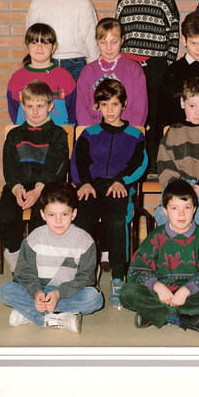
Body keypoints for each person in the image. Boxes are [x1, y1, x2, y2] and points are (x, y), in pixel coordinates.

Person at [71, 78, 148, 307]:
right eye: (104, 105)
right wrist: (83, 183)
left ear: (124, 104)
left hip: (119, 187)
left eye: (114, 104)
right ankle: (85, 276)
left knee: (116, 221)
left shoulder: (135, 135)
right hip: (91, 187)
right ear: (97, 106)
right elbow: (77, 162)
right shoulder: (89, 134)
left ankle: (118, 277)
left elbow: (140, 163)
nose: (110, 110)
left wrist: (122, 181)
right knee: (82, 220)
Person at [120, 180, 199, 334]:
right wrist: (157, 286)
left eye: (187, 207)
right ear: (165, 210)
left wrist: (187, 290)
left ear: (195, 209)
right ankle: (186, 318)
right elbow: (137, 269)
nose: (181, 214)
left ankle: (157, 314)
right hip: (161, 294)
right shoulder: (156, 237)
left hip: (193, 294)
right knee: (127, 293)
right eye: (174, 208)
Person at [0, 182, 103, 333]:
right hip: (39, 290)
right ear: (43, 214)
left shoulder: (85, 241)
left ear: (73, 214)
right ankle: (55, 319)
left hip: (68, 293)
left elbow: (86, 278)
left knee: (94, 298)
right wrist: (36, 293)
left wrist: (58, 294)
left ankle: (30, 313)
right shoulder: (34, 238)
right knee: (6, 290)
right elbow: (24, 272)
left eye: (64, 214)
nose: (58, 221)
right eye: (51, 215)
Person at [115, 0, 180, 175]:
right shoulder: (124, 1)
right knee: (128, 112)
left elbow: (173, 36)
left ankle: (152, 163)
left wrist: (165, 66)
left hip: (156, 66)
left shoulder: (166, 1)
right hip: (128, 66)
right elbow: (118, 33)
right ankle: (128, 162)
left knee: (153, 115)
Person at [0, 80, 70, 272]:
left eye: (40, 106)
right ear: (23, 106)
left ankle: (39, 258)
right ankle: (15, 253)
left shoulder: (58, 134)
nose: (35, 112)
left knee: (42, 217)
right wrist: (16, 187)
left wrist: (38, 189)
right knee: (5, 215)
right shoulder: (14, 135)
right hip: (19, 186)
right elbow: (9, 165)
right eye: (30, 106)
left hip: (47, 186)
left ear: (50, 106)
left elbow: (57, 166)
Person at [155, 77, 199, 235]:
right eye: (192, 106)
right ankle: (170, 249)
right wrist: (178, 187)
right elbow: (164, 164)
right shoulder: (173, 132)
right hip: (176, 185)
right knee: (164, 213)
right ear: (183, 102)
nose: (197, 112)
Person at [26, 0, 98, 81]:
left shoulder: (82, 2)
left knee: (75, 96)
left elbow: (91, 36)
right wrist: (34, 62)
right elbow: (31, 36)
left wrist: (94, 66)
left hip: (76, 63)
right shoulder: (38, 2)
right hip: (46, 61)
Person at [75, 17, 147, 127]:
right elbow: (81, 108)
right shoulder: (88, 71)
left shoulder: (134, 69)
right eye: (103, 42)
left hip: (127, 130)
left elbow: (140, 108)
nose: (109, 48)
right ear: (96, 42)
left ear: (122, 40)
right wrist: (91, 133)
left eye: (114, 42)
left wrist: (131, 133)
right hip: (95, 130)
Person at [6, 22, 76, 125]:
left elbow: (73, 110)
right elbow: (14, 111)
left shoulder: (65, 77)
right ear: (27, 46)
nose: (39, 47)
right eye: (34, 42)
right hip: (27, 134)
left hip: (60, 134)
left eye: (45, 43)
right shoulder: (17, 78)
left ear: (54, 47)